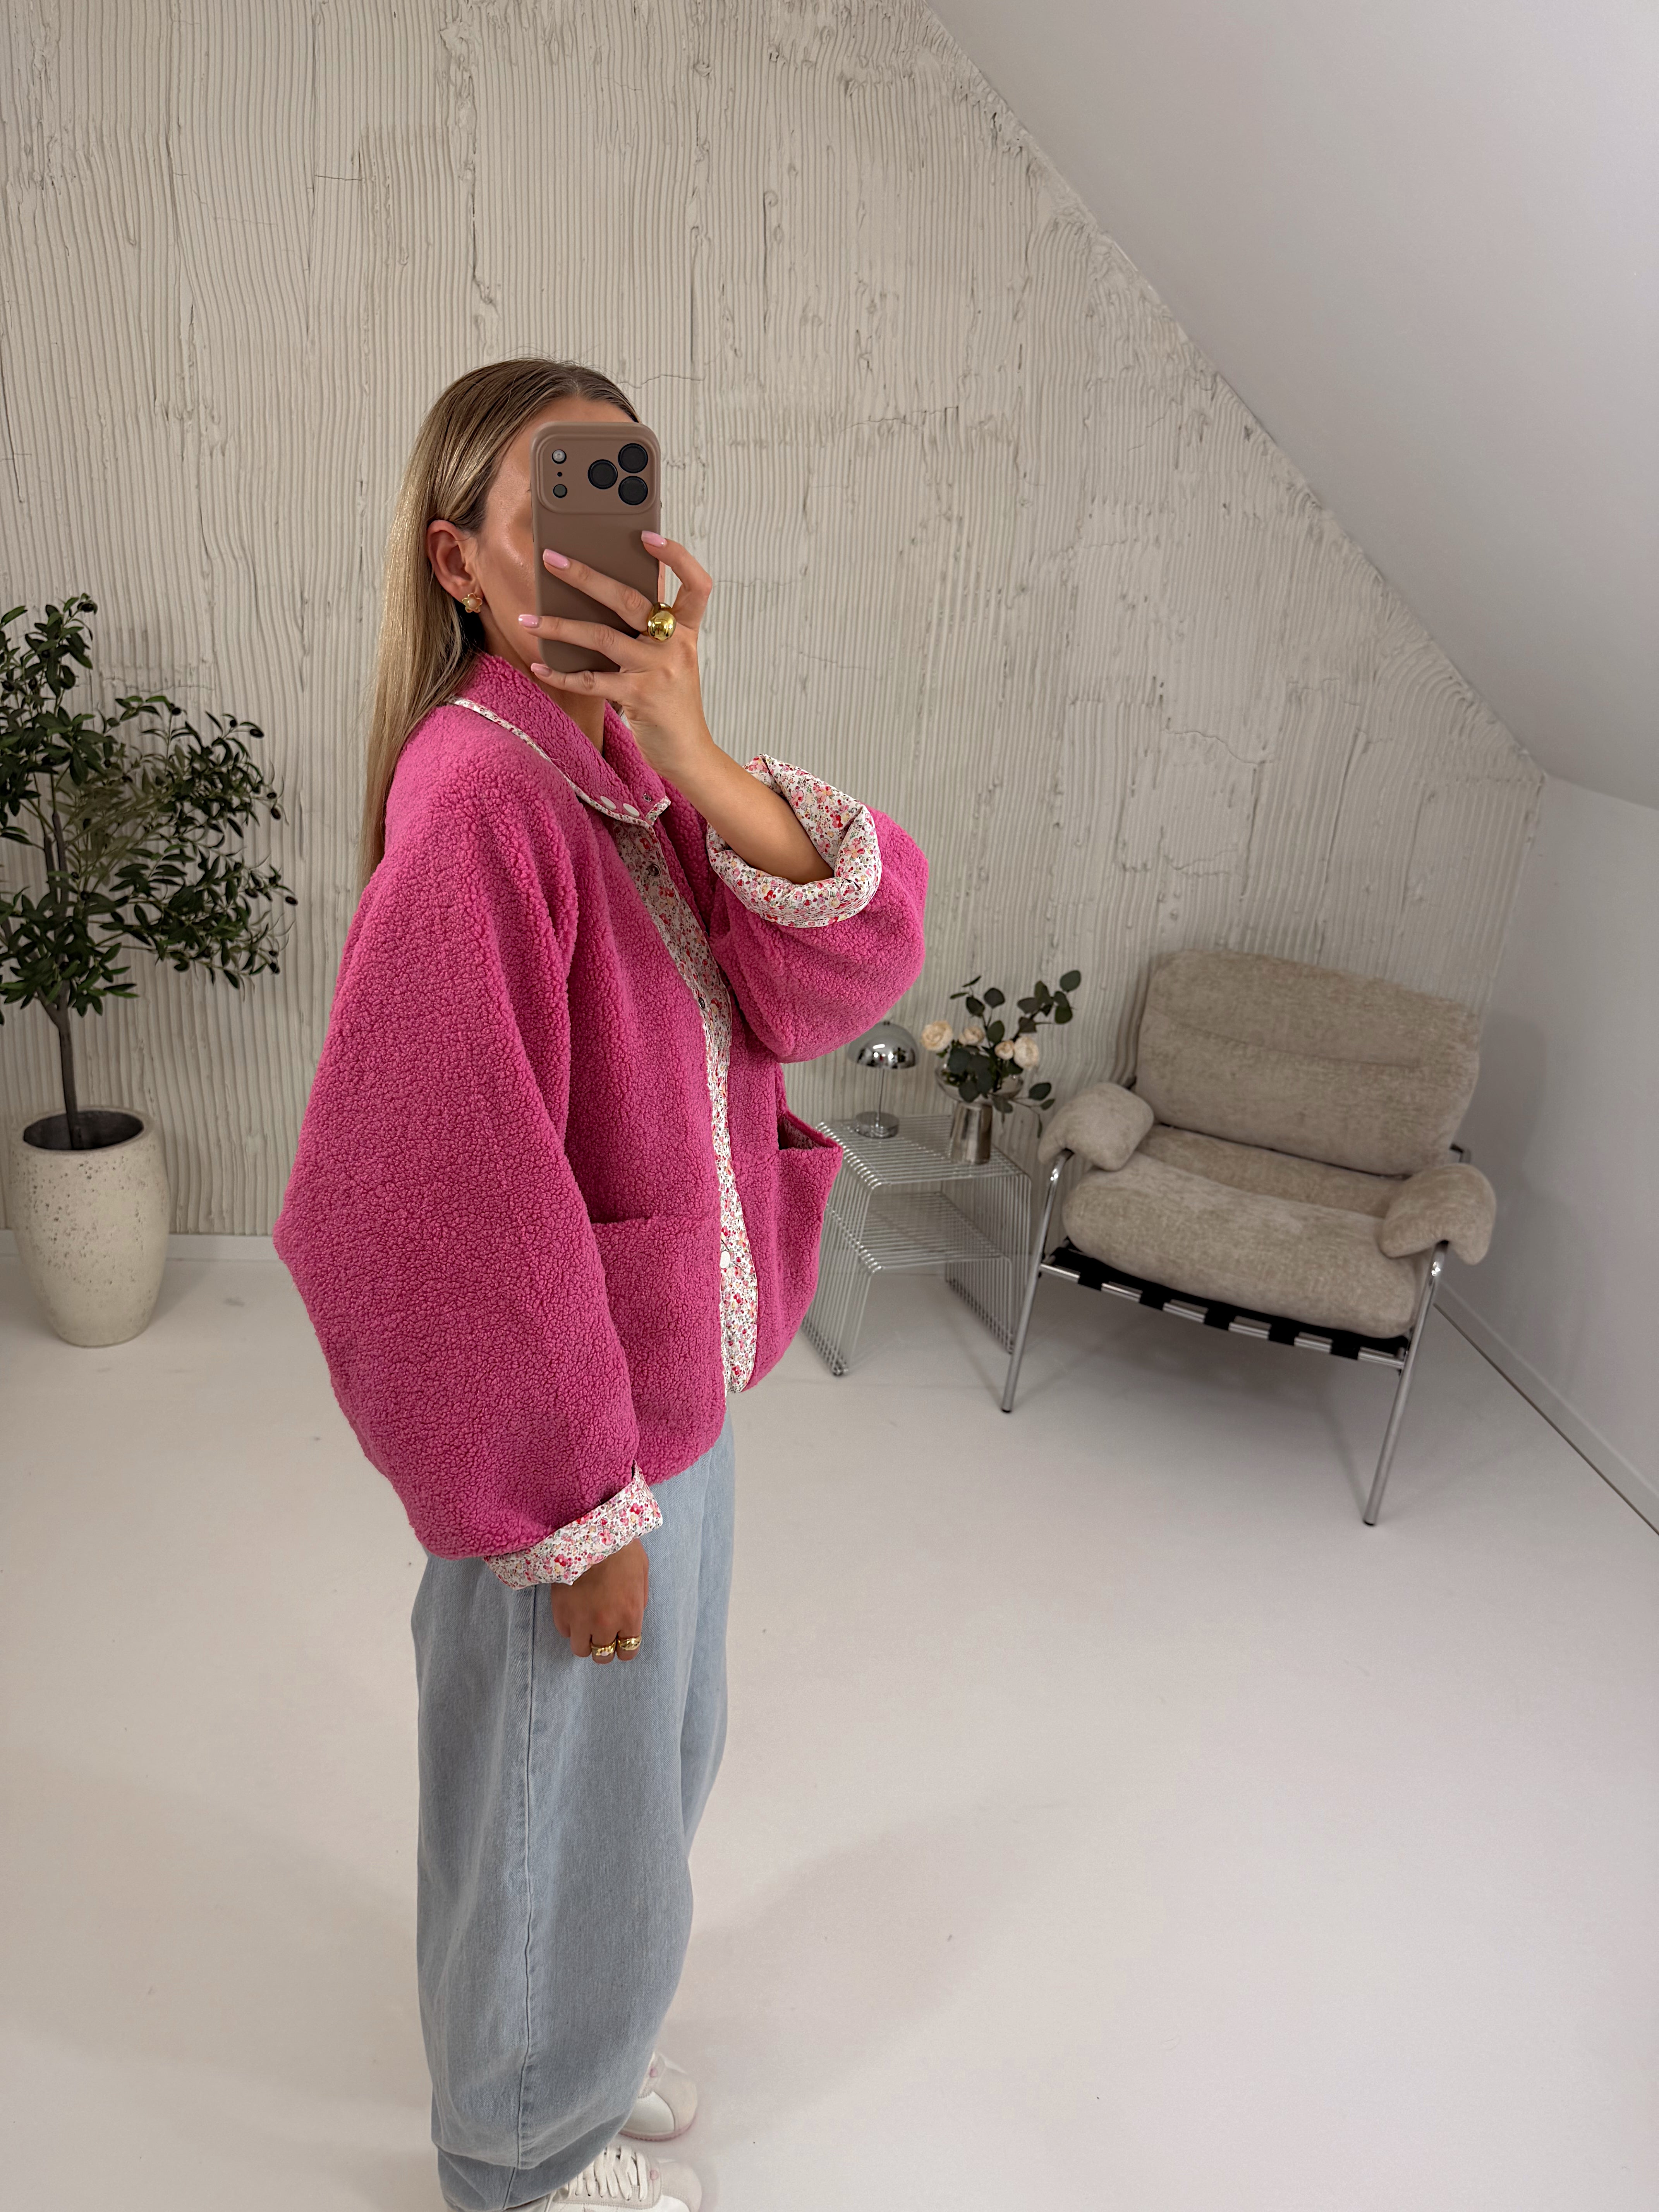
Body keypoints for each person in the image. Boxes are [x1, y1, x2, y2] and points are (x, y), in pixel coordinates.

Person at [271, 359, 929, 2212]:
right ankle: (517, 2152)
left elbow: (833, 974)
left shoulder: (628, 767)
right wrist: (572, 1514)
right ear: (461, 563)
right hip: (577, 1443)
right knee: (554, 1796)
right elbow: (418, 1210)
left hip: (669, 1395)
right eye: (557, 502)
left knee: (635, 1772)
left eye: (626, 492)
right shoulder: (481, 799)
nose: (607, 542)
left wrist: (700, 748)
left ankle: (582, 2035)